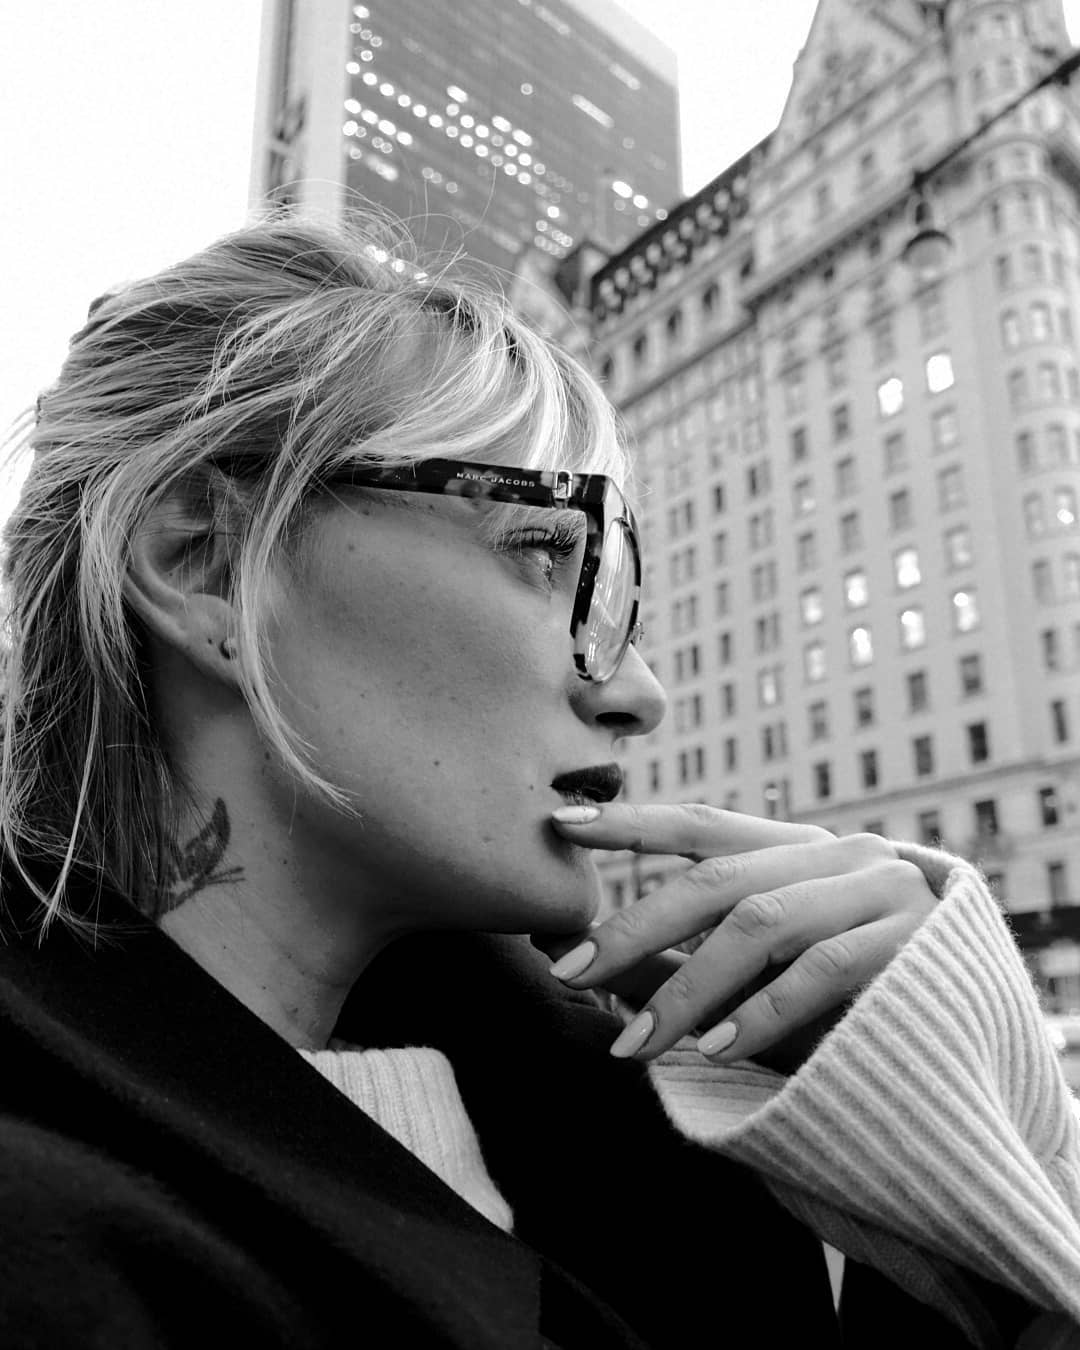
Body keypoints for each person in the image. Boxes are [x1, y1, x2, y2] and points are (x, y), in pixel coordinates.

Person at [0, 214, 1077, 1349]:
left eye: (610, 596)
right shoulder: (48, 1251)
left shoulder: (640, 1147)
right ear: (206, 563)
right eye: (541, 549)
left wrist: (967, 1135)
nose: (640, 692)